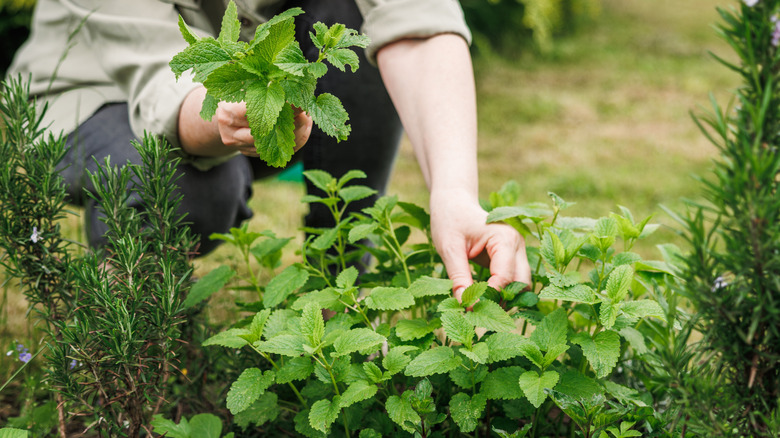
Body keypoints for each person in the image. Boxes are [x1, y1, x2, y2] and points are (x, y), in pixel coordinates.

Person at [8, 0, 530, 299]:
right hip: (88, 96)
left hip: (253, 96)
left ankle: (340, 285)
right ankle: (132, 328)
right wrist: (234, 118)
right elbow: (166, 83)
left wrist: (456, 194)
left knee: (351, 28)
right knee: (188, 192)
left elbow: (414, 21)